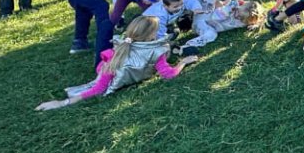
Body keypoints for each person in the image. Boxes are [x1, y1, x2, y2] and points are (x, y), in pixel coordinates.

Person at [35, 16, 197, 110]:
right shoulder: (156, 51)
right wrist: (183, 62)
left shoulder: (118, 49)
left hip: (105, 71)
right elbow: (168, 74)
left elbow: (99, 84)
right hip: (109, 75)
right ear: (151, 35)